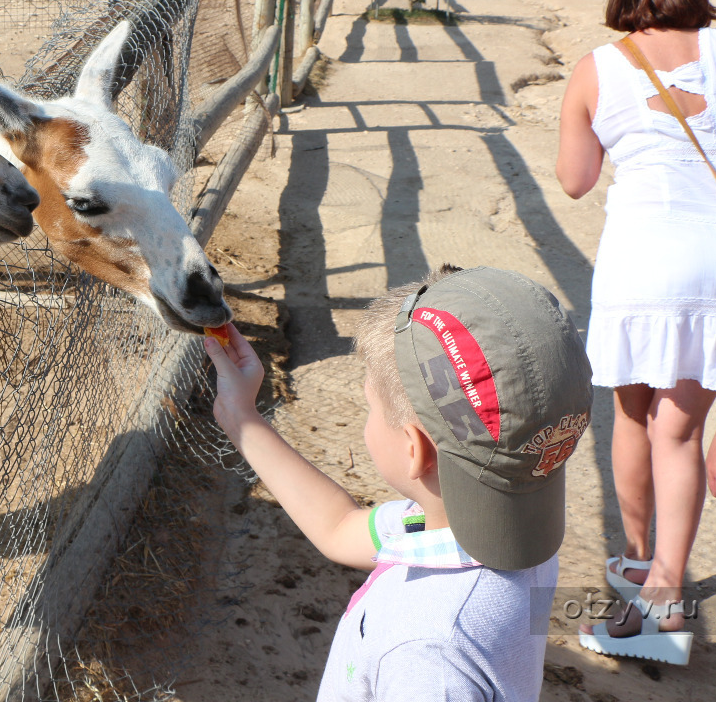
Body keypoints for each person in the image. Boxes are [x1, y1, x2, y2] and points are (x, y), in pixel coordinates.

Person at [208, 265, 593, 701]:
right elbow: (339, 528)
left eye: (369, 403)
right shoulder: (517, 522)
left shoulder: (430, 655)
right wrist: (241, 417)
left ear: (416, 450)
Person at [556, 0, 716, 666]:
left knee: (631, 413)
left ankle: (638, 567)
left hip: (639, 258)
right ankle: (665, 580)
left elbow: (574, 180)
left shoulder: (598, 68)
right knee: (679, 433)